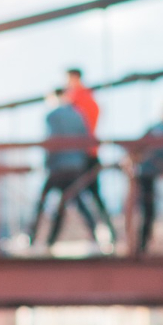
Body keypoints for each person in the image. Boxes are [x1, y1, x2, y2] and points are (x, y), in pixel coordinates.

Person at [31, 88, 97, 249]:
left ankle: (34, 239)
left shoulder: (52, 115)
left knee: (42, 202)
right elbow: (86, 140)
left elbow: (51, 142)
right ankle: (94, 236)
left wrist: (47, 163)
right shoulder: (78, 115)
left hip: (57, 166)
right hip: (75, 166)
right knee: (74, 201)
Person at [64, 67, 117, 248]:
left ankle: (95, 232)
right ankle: (108, 231)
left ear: (73, 78)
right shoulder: (91, 98)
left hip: (78, 155)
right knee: (94, 195)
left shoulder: (74, 100)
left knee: (71, 193)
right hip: (92, 152)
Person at [133, 102, 163, 255]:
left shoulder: (155, 129)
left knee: (145, 210)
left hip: (145, 172)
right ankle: (141, 246)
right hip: (148, 173)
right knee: (148, 211)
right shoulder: (161, 130)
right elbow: (161, 151)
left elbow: (138, 146)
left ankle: (142, 245)